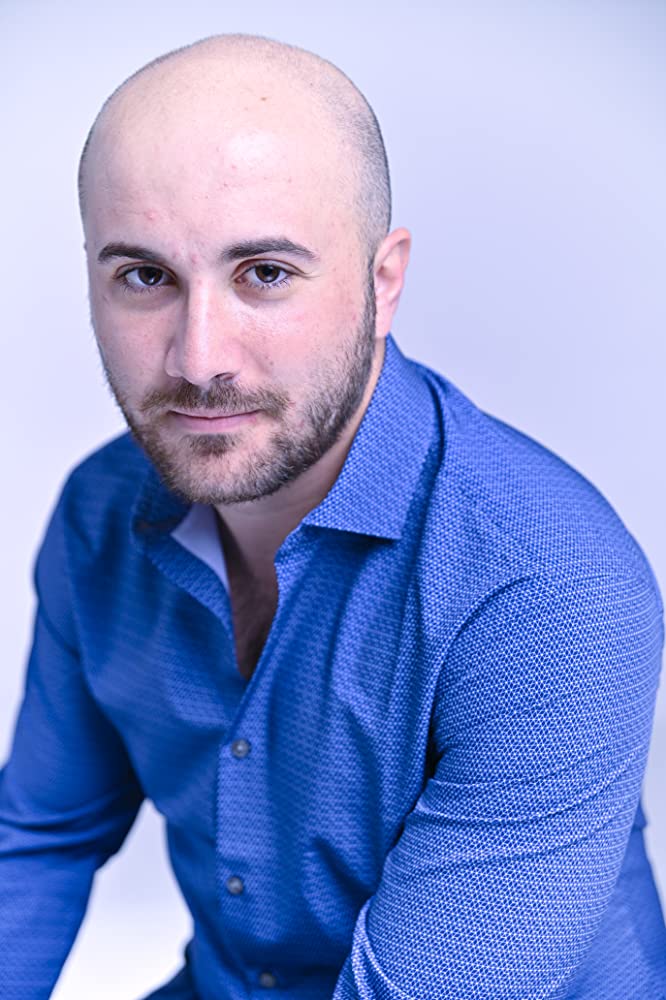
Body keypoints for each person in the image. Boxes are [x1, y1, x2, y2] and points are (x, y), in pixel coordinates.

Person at [0, 31, 664, 1000]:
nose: (199, 358)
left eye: (265, 272)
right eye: (145, 276)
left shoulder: (551, 586)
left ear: (382, 283)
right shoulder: (99, 514)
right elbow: (38, 839)